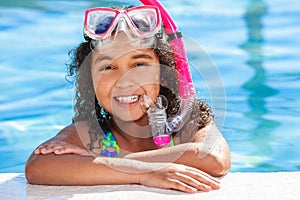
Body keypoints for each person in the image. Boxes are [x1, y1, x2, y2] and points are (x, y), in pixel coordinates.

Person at [25, 2, 231, 194]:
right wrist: (142, 172)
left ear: (163, 73)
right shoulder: (93, 133)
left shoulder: (186, 123)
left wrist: (108, 161)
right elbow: (38, 167)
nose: (124, 81)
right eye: (108, 67)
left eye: (139, 65)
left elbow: (214, 157)